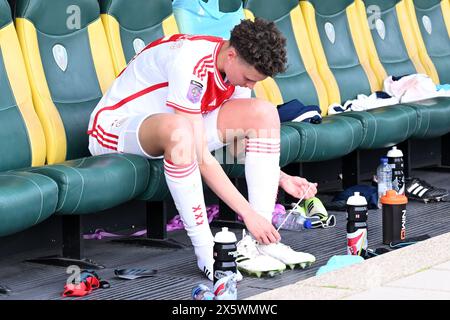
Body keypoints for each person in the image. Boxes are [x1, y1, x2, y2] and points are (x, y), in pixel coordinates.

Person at [87, 18, 317, 280]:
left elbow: (237, 141)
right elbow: (201, 156)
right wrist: (247, 213)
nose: (251, 85)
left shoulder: (233, 72)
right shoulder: (189, 61)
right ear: (231, 56)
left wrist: (282, 177)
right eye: (250, 78)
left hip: (173, 130)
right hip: (116, 128)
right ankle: (207, 251)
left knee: (262, 112)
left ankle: (262, 242)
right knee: (180, 132)